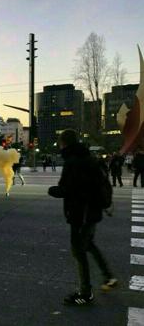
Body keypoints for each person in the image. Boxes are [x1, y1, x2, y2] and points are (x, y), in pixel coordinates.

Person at [48, 129, 117, 306]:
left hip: (81, 214)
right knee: (89, 245)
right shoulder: (89, 158)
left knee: (78, 250)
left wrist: (53, 190)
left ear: (64, 143)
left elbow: (68, 189)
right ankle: (108, 276)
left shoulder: (73, 162)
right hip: (92, 212)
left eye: (60, 143)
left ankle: (85, 293)